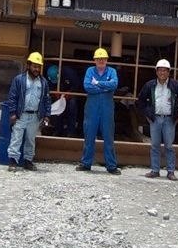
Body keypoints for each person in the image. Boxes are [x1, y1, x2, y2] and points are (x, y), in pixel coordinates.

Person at [136, 59, 178, 180]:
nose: (162, 73)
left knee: (169, 146)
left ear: (168, 72)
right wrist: (147, 114)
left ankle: (170, 171)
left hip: (169, 119)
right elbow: (141, 101)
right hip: (154, 119)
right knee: (154, 145)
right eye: (160, 70)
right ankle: (155, 170)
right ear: (156, 71)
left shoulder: (175, 85)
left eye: (164, 70)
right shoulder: (150, 85)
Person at [75, 47, 121, 175]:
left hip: (107, 109)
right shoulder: (90, 70)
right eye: (98, 59)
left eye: (103, 58)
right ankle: (86, 163)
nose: (101, 60)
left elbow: (114, 85)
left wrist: (98, 83)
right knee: (89, 135)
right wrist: (105, 87)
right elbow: (87, 87)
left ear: (106, 60)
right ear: (94, 60)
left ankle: (111, 166)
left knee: (108, 137)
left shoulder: (112, 71)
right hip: (92, 109)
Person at [6, 52, 52, 171]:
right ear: (28, 66)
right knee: (16, 138)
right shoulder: (19, 80)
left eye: (38, 66)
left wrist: (47, 115)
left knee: (31, 140)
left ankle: (28, 161)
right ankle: (13, 161)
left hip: (35, 116)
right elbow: (12, 97)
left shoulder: (43, 82)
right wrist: (12, 113)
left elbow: (47, 99)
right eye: (34, 66)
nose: (37, 69)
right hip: (21, 114)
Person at [46, 63, 81, 137]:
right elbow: (50, 87)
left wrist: (70, 93)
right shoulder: (49, 77)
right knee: (56, 109)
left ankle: (71, 131)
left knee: (72, 105)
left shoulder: (69, 73)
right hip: (59, 96)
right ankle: (58, 129)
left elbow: (77, 85)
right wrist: (55, 93)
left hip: (70, 95)